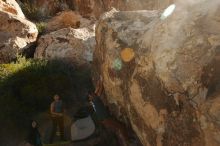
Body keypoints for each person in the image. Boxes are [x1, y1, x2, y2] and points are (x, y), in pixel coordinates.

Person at [88, 76, 130, 146]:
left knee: (120, 127)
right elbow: (100, 90)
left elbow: (97, 91)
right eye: (91, 94)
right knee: (121, 127)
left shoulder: (92, 101)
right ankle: (127, 142)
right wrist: (101, 81)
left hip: (105, 120)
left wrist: (99, 82)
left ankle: (126, 140)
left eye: (92, 93)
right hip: (106, 119)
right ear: (90, 97)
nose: (93, 93)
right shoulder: (95, 99)